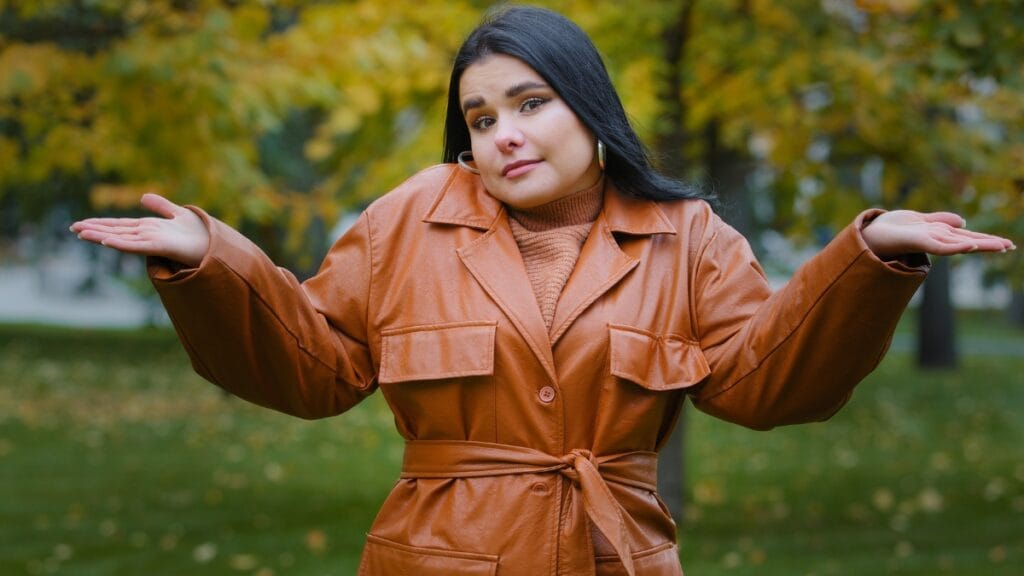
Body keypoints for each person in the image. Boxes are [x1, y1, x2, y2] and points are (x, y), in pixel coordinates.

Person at [70, 6, 1013, 576]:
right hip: (437, 558)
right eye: (481, 118)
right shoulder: (409, 217)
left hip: (619, 556)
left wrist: (867, 260)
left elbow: (766, 383)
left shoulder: (686, 236)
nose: (505, 135)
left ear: (589, 108)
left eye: (530, 103)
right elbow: (314, 367)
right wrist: (211, 260)